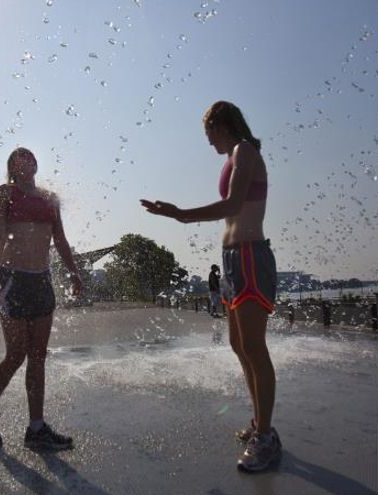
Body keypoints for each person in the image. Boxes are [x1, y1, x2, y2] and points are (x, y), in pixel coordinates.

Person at [140, 100, 281, 472]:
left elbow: (233, 205)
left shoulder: (244, 150)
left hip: (249, 256)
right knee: (239, 345)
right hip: (233, 259)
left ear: (221, 125)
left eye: (208, 133)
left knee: (254, 346)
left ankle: (266, 436)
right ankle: (259, 423)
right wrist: (177, 214)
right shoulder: (232, 157)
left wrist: (180, 215)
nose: (208, 141)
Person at [0, 147, 83, 451]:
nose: (24, 162)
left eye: (29, 158)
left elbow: (60, 238)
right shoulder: (4, 193)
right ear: (11, 168)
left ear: (35, 164)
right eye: (17, 160)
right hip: (14, 279)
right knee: (16, 354)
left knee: (38, 355)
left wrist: (74, 273)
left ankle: (36, 428)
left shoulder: (50, 198)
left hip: (41, 280)